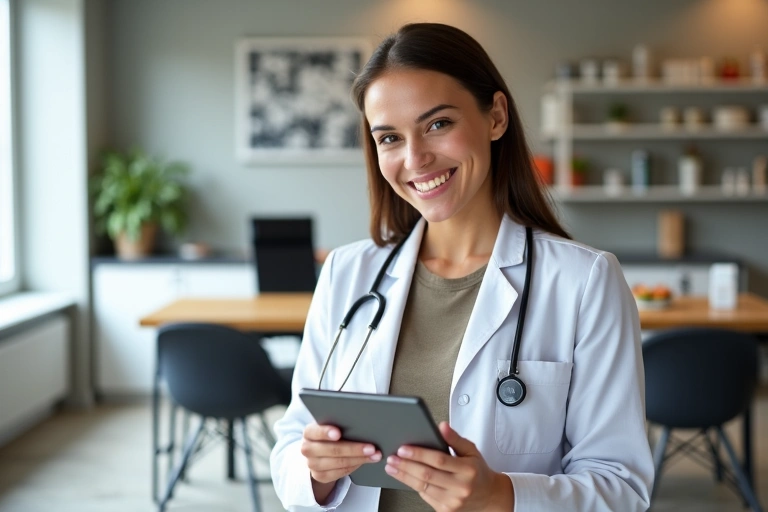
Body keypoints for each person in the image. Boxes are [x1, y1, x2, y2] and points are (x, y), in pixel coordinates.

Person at [270, 22, 653, 512]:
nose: (416, 159)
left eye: (438, 124)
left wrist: (504, 496)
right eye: (389, 138)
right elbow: (291, 441)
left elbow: (622, 487)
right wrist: (316, 472)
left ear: (495, 117)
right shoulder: (347, 273)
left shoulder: (584, 282)